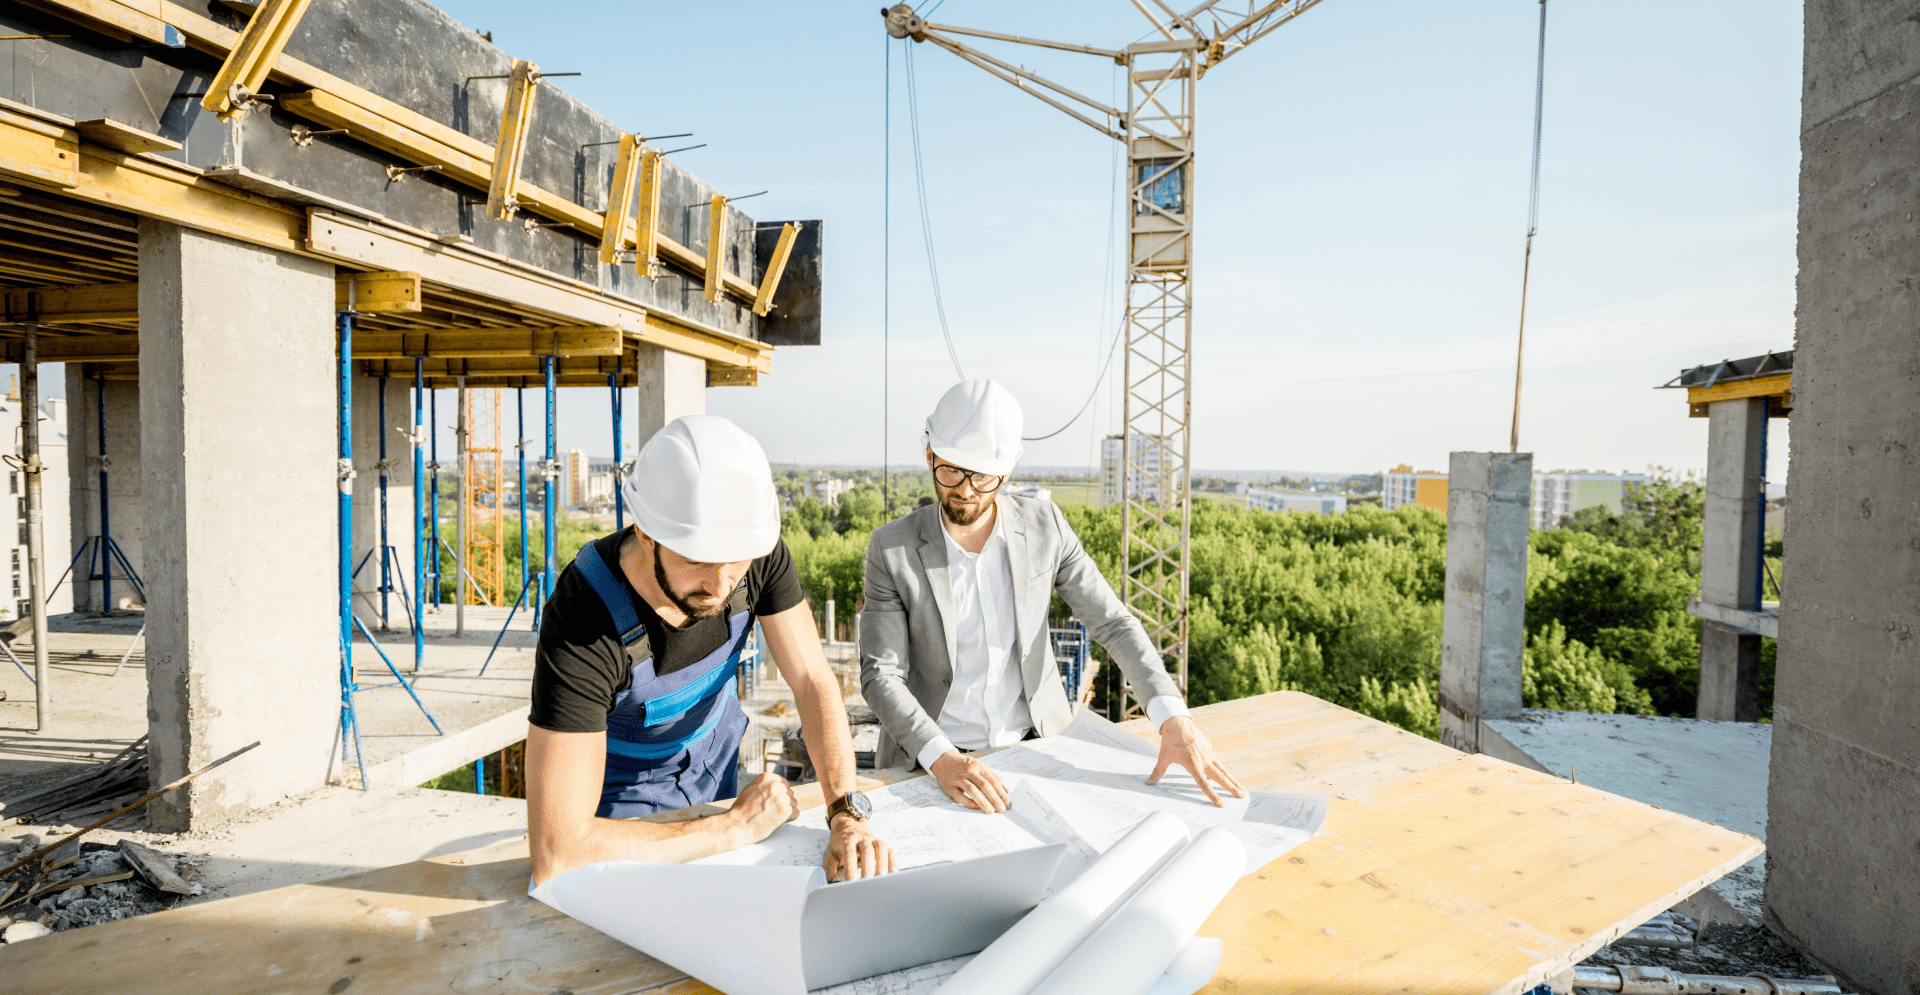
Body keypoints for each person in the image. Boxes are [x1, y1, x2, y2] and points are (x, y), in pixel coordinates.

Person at [525, 415, 894, 885]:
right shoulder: (584, 621)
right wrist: (734, 827)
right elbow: (559, 851)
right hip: (619, 804)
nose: (719, 585)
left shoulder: (755, 551)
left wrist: (845, 811)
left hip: (715, 769)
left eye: (734, 563)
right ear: (645, 532)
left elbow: (812, 680)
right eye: (696, 559)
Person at [859, 380, 1245, 813]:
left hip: (1038, 747)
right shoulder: (892, 549)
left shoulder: (1047, 527)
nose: (965, 490)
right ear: (930, 455)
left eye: (982, 476)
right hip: (930, 763)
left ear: (1007, 472)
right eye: (950, 470)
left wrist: (1174, 717)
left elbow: (1113, 623)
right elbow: (881, 676)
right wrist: (943, 759)